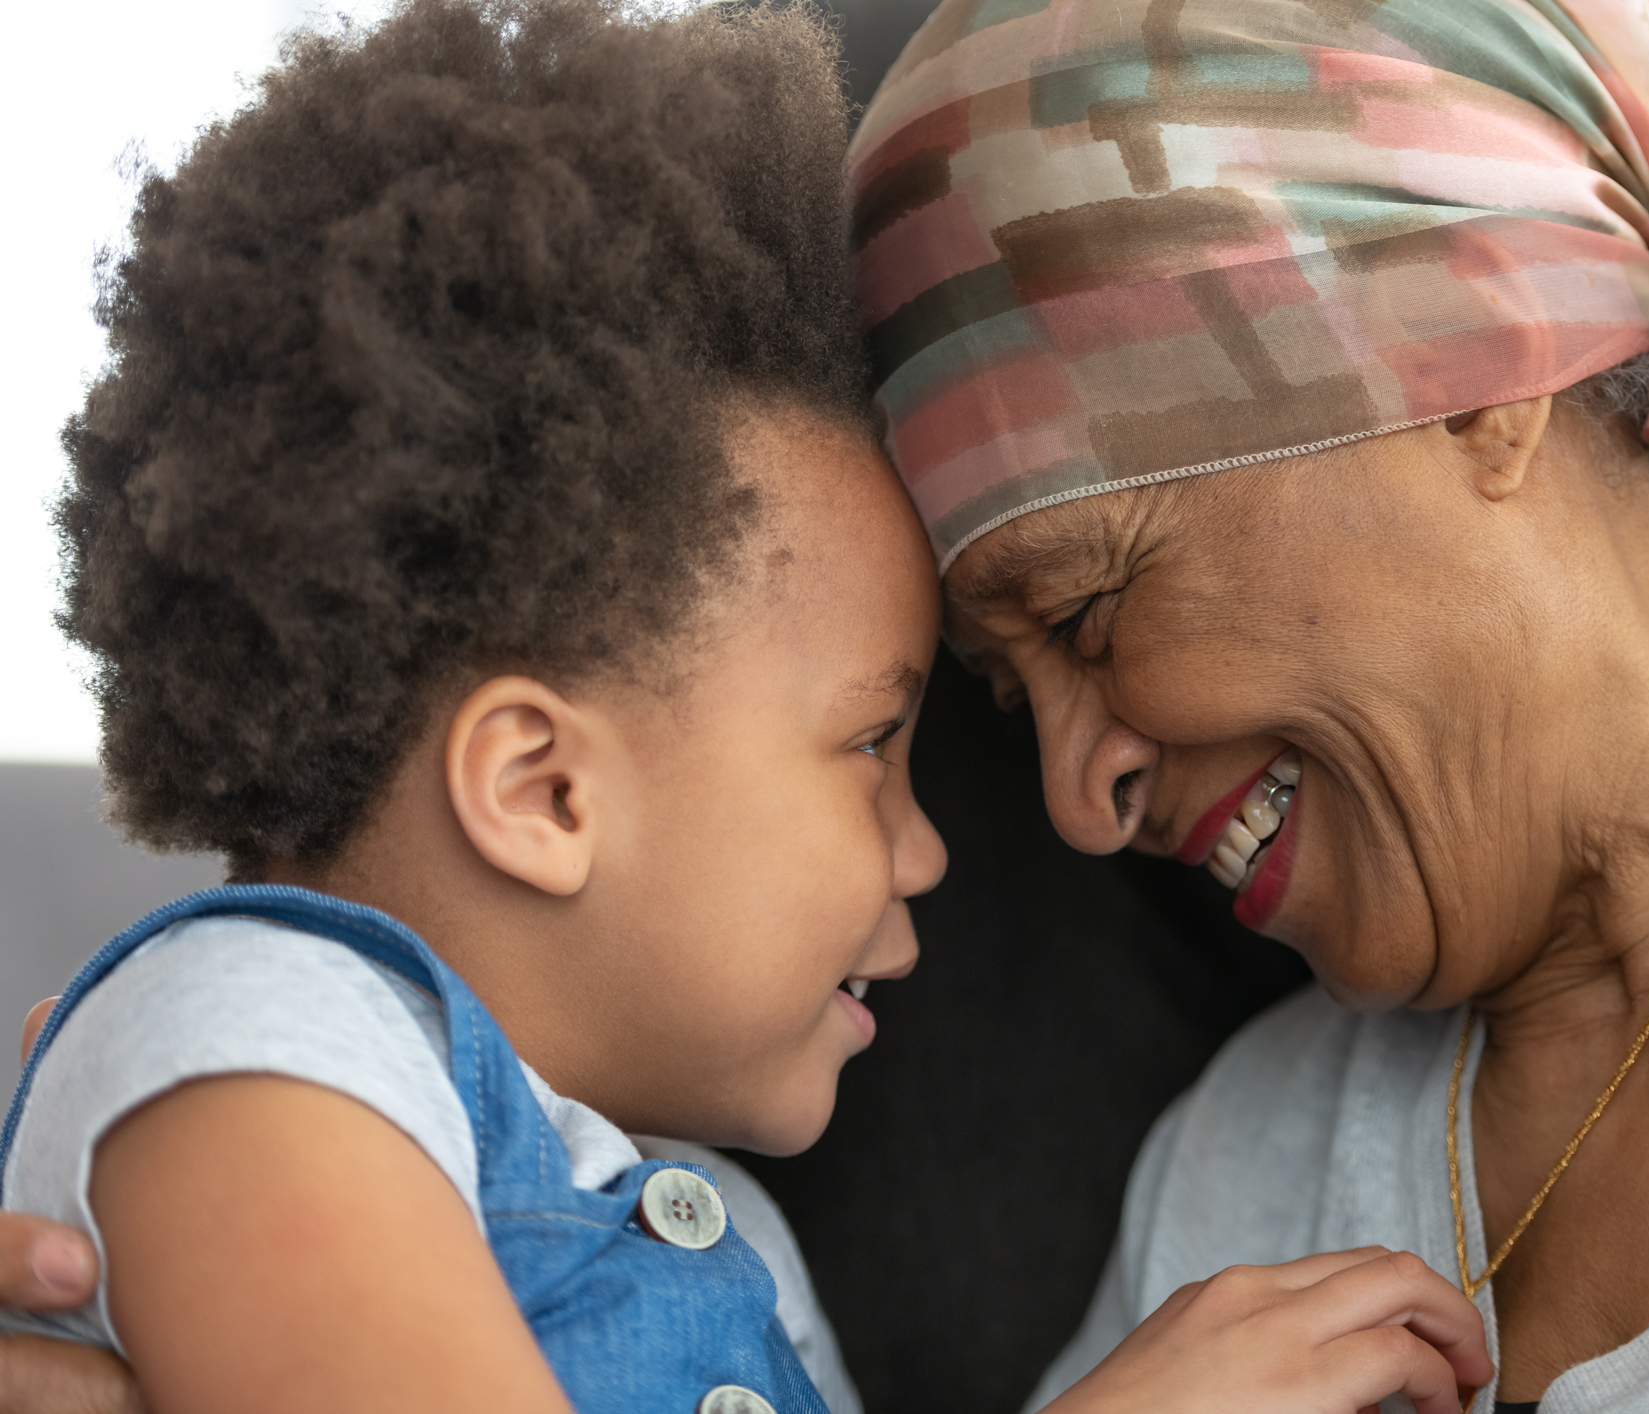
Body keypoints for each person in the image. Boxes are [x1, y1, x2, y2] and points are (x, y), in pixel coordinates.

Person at [0, 3, 1497, 1413]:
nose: (928, 853)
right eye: (869, 746)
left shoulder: (732, 1250)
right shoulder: (258, 1039)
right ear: (541, 789)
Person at [841, 0, 1649, 1409]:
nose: (1075, 802)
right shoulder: (1250, 1163)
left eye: (1084, 610)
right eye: (1012, 701)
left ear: (1464, 372)